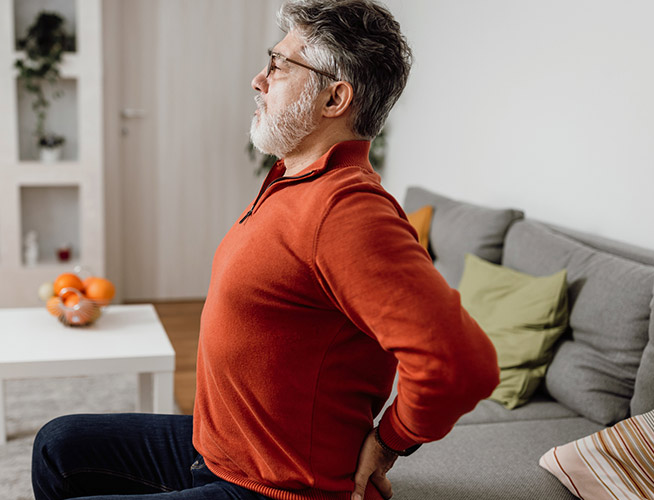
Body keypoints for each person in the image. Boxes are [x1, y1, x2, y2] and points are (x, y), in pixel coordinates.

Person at [32, 1, 500, 500]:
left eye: (278, 66)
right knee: (58, 446)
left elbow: (460, 363)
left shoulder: (348, 211)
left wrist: (390, 441)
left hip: (280, 487)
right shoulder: (291, 180)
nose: (258, 79)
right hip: (220, 451)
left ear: (333, 98)